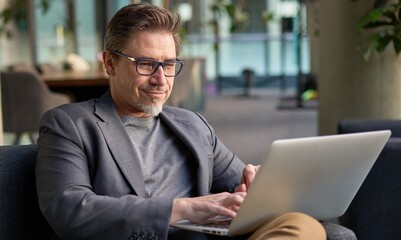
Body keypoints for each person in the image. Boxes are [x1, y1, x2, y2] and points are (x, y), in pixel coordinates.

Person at [35, 3, 354, 240]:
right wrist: (187, 208)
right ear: (109, 63)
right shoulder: (70, 124)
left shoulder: (192, 125)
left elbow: (239, 186)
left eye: (169, 64)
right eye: (145, 64)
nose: (161, 79)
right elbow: (71, 209)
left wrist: (257, 181)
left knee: (303, 226)